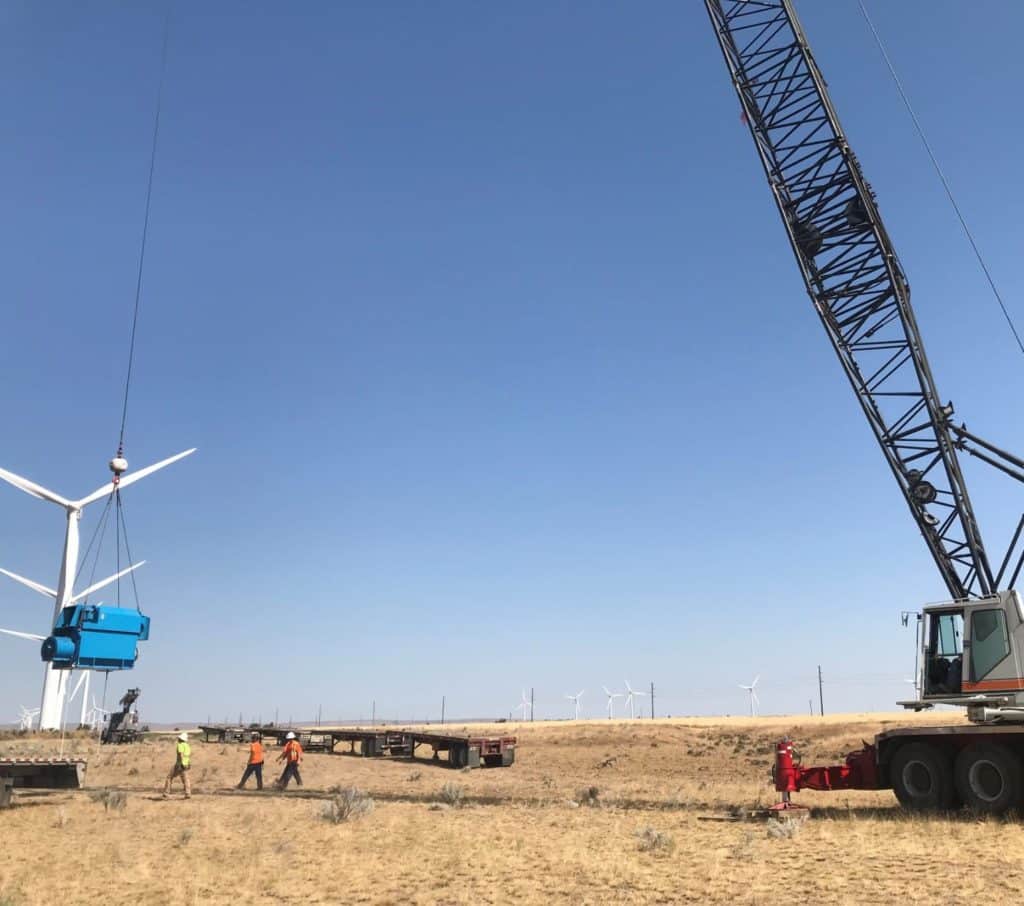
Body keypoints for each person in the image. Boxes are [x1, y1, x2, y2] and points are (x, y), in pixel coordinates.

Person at [163, 732, 192, 799]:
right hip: (186, 764)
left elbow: (181, 755)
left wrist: (180, 763)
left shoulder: (180, 745)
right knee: (185, 779)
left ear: (181, 739)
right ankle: (188, 793)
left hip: (179, 764)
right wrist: (188, 763)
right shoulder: (187, 746)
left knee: (169, 777)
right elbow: (187, 756)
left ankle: (166, 792)